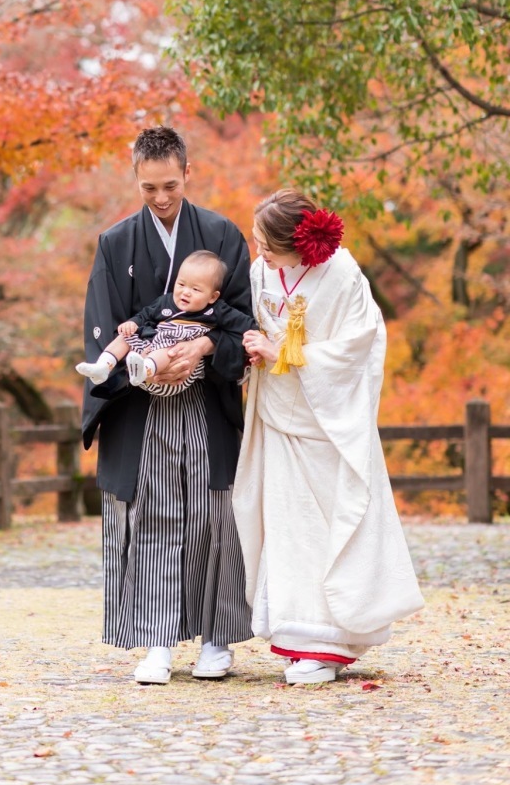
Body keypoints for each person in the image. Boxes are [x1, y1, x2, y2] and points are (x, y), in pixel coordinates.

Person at [81, 126, 257, 685]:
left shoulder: (223, 236)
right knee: (153, 515)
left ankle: (218, 640)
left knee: (214, 516)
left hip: (206, 401)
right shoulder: (115, 243)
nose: (160, 198)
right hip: (142, 402)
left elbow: (245, 323)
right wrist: (147, 367)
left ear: (189, 174)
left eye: (171, 186)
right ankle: (155, 641)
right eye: (149, 186)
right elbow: (106, 324)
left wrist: (201, 349)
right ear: (135, 177)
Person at [232, 189, 424, 685]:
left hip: (325, 425)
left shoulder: (341, 274)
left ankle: (328, 643)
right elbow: (256, 327)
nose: (260, 252)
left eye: (266, 244)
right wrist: (256, 350)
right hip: (278, 414)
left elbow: (360, 344)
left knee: (325, 531)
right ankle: (300, 639)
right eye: (256, 242)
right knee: (287, 530)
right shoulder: (259, 272)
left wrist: (288, 354)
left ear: (298, 241)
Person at [76, 250, 251, 398]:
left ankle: (145, 369)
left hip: (175, 372)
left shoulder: (217, 310)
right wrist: (132, 323)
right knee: (125, 337)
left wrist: (259, 337)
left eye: (195, 289)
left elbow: (246, 324)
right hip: (146, 355)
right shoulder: (166, 302)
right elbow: (146, 314)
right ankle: (103, 366)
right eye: (181, 284)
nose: (185, 292)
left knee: (168, 349)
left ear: (213, 297)